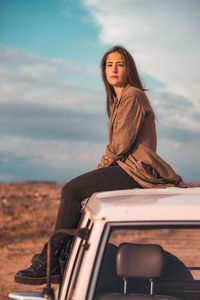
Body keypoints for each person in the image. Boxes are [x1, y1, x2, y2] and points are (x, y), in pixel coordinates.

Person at [15, 45, 186, 285]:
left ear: (129, 69)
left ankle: (49, 260)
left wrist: (100, 168)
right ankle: (63, 258)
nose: (114, 69)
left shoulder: (133, 95)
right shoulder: (119, 100)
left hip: (136, 169)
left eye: (120, 64)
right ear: (103, 71)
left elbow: (120, 144)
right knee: (82, 200)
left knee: (71, 191)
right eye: (109, 65)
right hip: (127, 166)